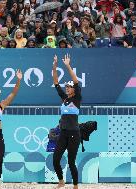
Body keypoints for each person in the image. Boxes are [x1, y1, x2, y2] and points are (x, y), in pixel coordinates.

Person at [52, 54, 81, 189]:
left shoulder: (77, 99)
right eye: (67, 87)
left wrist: (68, 66)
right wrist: (55, 66)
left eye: (69, 87)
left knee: (71, 161)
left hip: (74, 133)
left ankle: (75, 185)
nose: (67, 88)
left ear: (74, 90)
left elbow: (76, 81)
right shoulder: (64, 99)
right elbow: (56, 83)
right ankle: (61, 181)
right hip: (63, 133)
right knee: (56, 159)